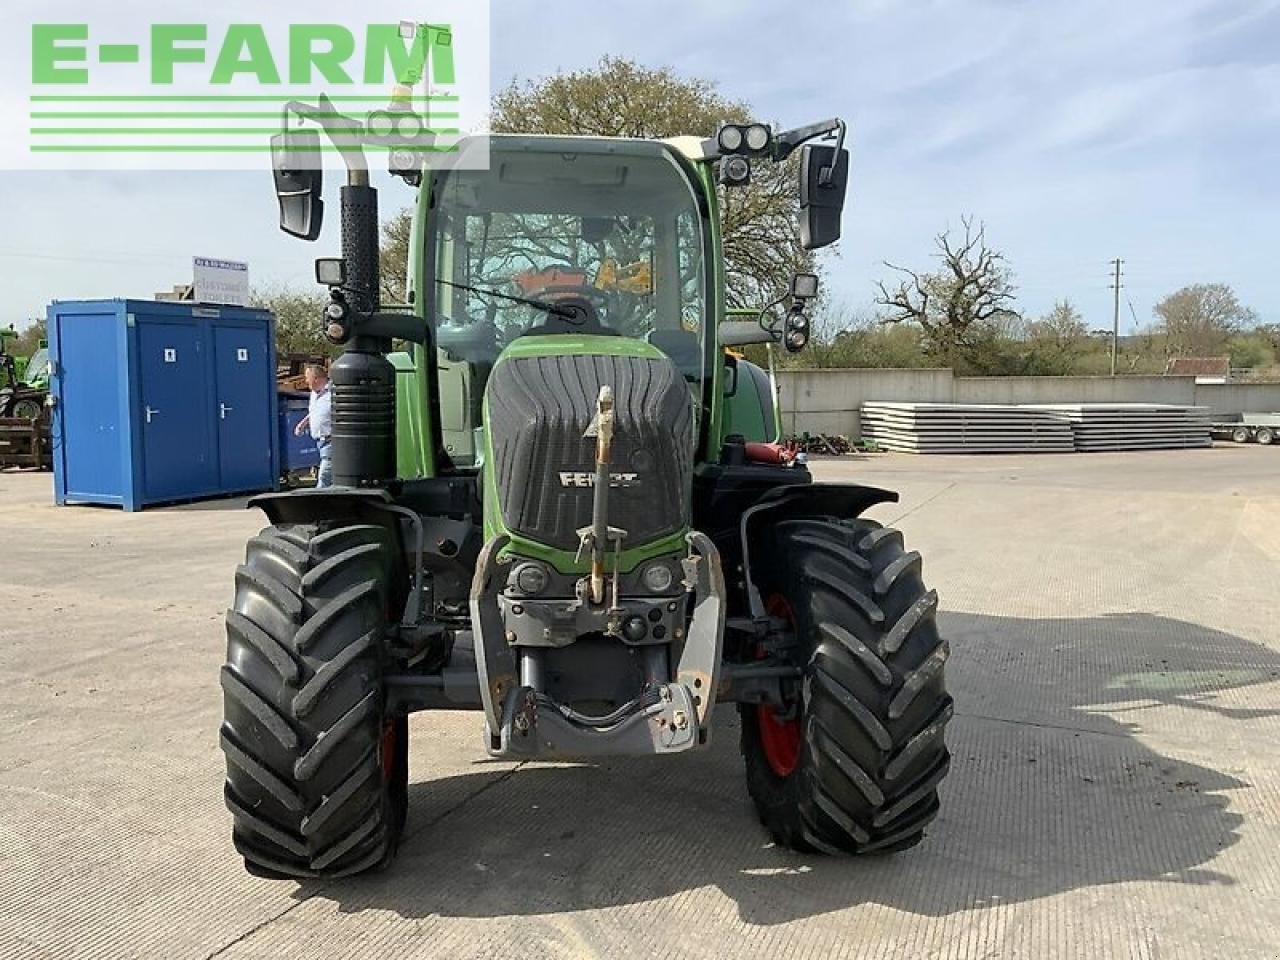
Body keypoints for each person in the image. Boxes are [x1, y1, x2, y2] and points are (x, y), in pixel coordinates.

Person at [294, 364, 333, 488]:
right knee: (328, 476)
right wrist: (303, 423)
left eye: (307, 377)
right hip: (319, 442)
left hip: (331, 441)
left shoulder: (334, 392)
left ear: (316, 378)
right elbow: (314, 412)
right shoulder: (314, 394)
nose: (306, 381)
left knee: (324, 477)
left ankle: (318, 500)